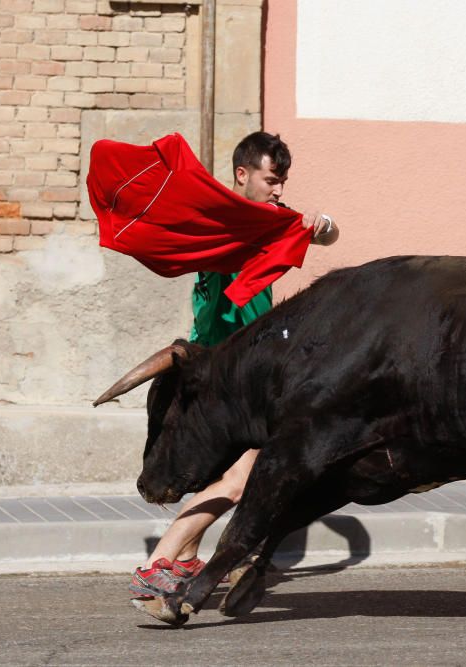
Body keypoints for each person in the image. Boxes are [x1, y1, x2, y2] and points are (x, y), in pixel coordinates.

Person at [129, 131, 339, 598]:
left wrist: (321, 224)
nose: (278, 189)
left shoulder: (272, 220)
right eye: (271, 179)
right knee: (245, 476)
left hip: (243, 371)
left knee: (224, 475)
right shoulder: (218, 220)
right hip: (218, 374)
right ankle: (159, 560)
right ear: (242, 174)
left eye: (282, 181)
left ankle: (183, 560)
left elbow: (329, 234)